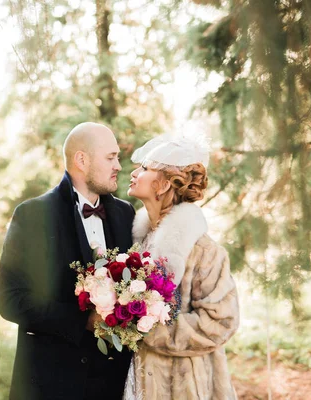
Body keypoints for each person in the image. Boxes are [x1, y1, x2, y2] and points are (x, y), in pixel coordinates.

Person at [0, 122, 135, 400]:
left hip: (114, 384)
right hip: (54, 383)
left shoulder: (126, 214)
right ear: (81, 160)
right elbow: (10, 300)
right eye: (111, 157)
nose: (118, 165)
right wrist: (81, 320)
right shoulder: (32, 215)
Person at [124, 133, 240, 399]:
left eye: (144, 169)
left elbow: (221, 321)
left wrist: (145, 330)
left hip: (182, 386)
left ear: (164, 185)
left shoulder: (204, 252)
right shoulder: (135, 243)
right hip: (133, 379)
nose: (133, 173)